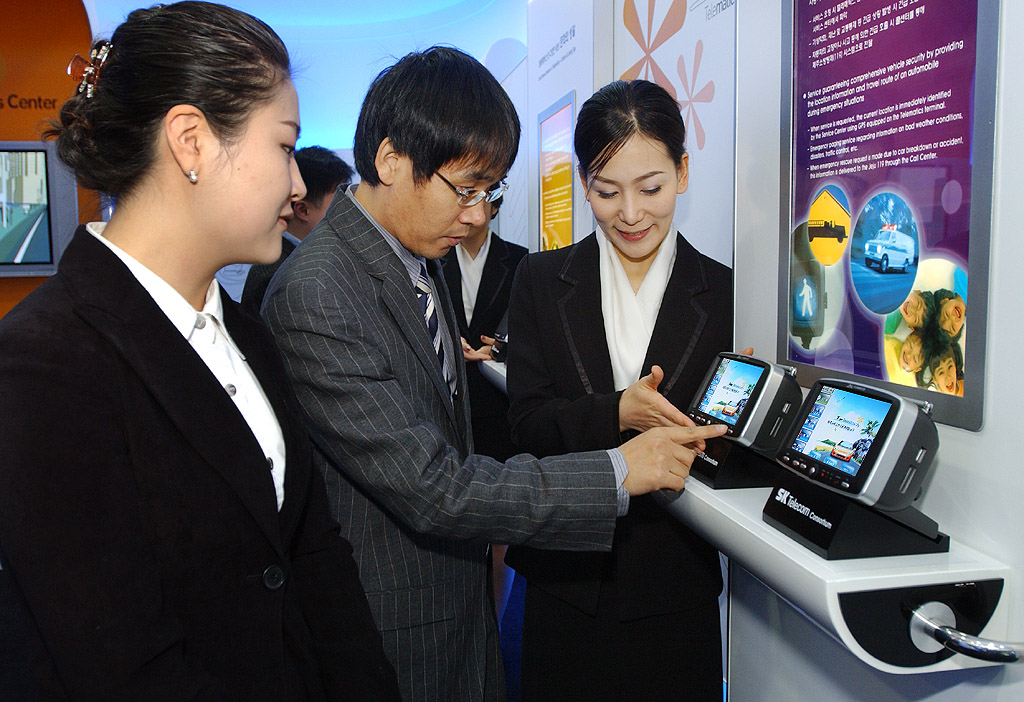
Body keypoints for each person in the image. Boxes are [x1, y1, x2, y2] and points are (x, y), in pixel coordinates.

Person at [260, 47, 725, 702]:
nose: (480, 215)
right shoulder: (320, 295)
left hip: (466, 609)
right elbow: (435, 487)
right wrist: (622, 466)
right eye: (467, 190)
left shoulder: (417, 261)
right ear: (392, 159)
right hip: (393, 633)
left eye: (490, 193)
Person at [0, 3, 399, 698]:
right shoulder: (44, 362)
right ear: (190, 140)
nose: (299, 184)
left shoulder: (247, 335)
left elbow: (313, 561)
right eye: (283, 146)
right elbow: (118, 659)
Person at [505, 79, 734, 702]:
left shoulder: (727, 293)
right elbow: (525, 427)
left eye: (651, 188)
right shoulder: (541, 279)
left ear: (683, 173)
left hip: (674, 583)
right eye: (607, 192)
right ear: (584, 185)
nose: (630, 213)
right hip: (566, 580)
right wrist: (616, 414)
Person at [439, 193, 527, 622]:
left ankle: (493, 615)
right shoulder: (435, 259)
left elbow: (529, 332)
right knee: (456, 515)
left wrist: (502, 349)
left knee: (498, 526)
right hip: (450, 403)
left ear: (495, 206)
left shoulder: (521, 261)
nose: (471, 215)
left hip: (498, 405)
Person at [241, 145, 353, 315]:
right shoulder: (275, 274)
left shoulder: (324, 253)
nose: (348, 208)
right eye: (339, 198)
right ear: (303, 210)